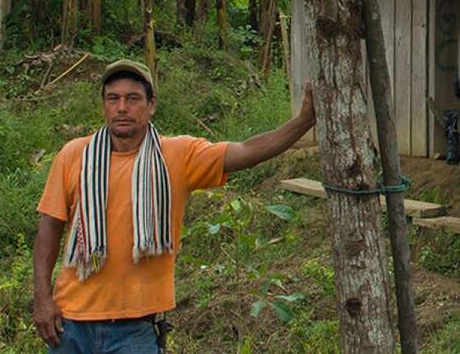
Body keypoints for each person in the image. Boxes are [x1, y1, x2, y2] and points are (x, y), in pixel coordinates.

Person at [33, 59, 315, 353]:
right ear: (103, 105)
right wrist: (42, 299)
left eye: (133, 99)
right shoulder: (74, 155)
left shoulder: (178, 154)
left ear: (151, 104)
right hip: (71, 325)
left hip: (134, 329)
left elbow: (246, 151)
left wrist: (303, 122)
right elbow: (49, 229)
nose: (122, 108)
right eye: (113, 99)